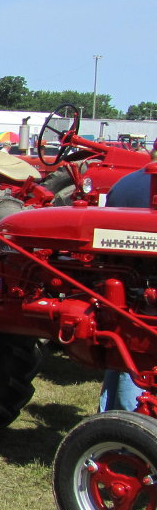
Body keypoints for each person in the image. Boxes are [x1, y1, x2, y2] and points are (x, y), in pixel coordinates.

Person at [98, 165, 155, 411]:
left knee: (119, 352)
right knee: (141, 357)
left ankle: (108, 415)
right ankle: (131, 420)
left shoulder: (124, 183)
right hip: (148, 286)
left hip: (122, 282)